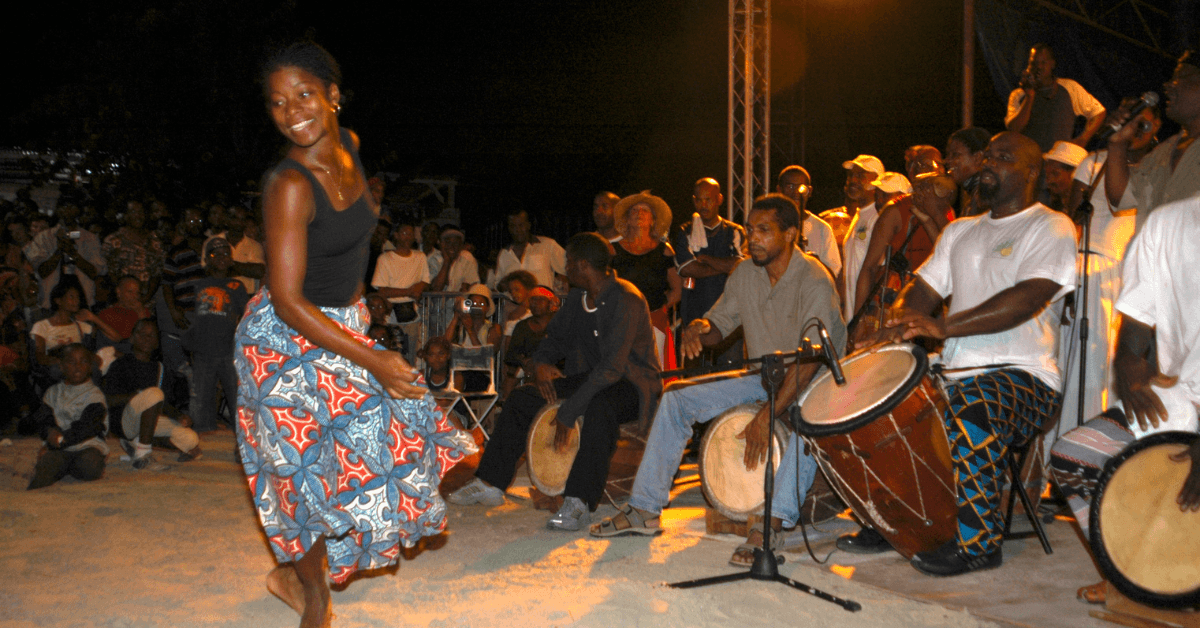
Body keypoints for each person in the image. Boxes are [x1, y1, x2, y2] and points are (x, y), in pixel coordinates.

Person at [236, 42, 474, 627]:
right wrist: (372, 357)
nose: (292, 112)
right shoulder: (287, 185)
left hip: (339, 327)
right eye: (277, 103)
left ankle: (291, 575)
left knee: (435, 449)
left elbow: (347, 249)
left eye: (305, 95)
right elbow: (288, 300)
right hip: (284, 343)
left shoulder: (351, 147)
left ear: (333, 96)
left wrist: (361, 326)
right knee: (305, 479)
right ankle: (312, 600)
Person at [855, 131, 1077, 576]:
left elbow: (1027, 298)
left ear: (1032, 171)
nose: (989, 164)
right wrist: (896, 323)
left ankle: (979, 546)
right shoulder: (961, 231)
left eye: (1004, 157)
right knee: (877, 399)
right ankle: (898, 522)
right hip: (953, 371)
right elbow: (922, 292)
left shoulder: (1049, 225)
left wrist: (944, 326)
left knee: (973, 405)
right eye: (988, 156)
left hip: (1024, 375)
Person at [591, 194, 846, 569]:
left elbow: (808, 363)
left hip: (815, 382)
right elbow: (720, 325)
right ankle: (644, 509)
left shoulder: (814, 279)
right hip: (765, 378)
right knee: (677, 398)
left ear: (791, 234)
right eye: (749, 230)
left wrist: (768, 415)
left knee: (805, 427)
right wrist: (700, 327)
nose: (752, 239)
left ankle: (770, 525)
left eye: (764, 231)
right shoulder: (745, 273)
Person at [449, 233, 661, 531]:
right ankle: (489, 483)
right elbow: (555, 339)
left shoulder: (625, 299)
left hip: (632, 384)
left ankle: (578, 501)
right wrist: (540, 364)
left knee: (600, 408)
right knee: (523, 398)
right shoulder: (577, 299)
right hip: (593, 378)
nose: (565, 269)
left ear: (583, 266)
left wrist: (570, 408)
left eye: (569, 263)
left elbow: (613, 368)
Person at [1049, 195, 1200, 604]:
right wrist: (1129, 367)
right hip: (1186, 391)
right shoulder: (1169, 222)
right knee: (1072, 456)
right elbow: (1137, 314)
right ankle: (1128, 569)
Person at [1055, 102, 1162, 433]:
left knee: (1106, 364)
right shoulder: (1094, 162)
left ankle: (1095, 446)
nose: (1139, 131)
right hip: (1086, 265)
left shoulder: (1158, 168)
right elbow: (1073, 219)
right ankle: (1060, 450)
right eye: (1134, 123)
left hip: (1126, 275)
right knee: (1074, 360)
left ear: (1157, 128)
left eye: (1146, 125)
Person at [851, 148, 953, 328]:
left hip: (932, 306)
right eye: (927, 165)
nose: (936, 170)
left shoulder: (947, 212)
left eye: (939, 165)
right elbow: (869, 267)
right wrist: (859, 319)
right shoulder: (896, 211)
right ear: (912, 171)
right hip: (898, 306)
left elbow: (952, 258)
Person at [1105, 50, 1200, 235]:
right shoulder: (1163, 151)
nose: (1168, 86)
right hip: (1152, 262)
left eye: (1181, 77)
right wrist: (1117, 145)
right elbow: (1121, 196)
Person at [105, 319, 201, 470]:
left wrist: (179, 416)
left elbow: (163, 404)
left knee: (190, 439)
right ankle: (143, 454)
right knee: (154, 393)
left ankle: (135, 443)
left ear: (157, 343)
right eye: (141, 334)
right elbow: (106, 400)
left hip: (147, 422)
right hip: (124, 421)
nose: (146, 339)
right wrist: (133, 397)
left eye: (151, 336)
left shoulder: (160, 369)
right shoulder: (120, 365)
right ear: (132, 338)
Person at [184, 238, 248, 432]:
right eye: (215, 254)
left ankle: (243, 443)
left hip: (229, 351)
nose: (221, 258)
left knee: (237, 399)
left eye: (225, 254)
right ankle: (203, 440)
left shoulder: (237, 286)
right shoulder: (198, 285)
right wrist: (190, 343)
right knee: (201, 402)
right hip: (203, 352)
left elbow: (244, 318)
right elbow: (188, 315)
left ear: (231, 260)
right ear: (207, 259)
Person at [611, 191, 681, 367]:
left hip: (654, 321)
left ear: (653, 220)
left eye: (645, 210)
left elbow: (677, 290)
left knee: (656, 374)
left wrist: (659, 307)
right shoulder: (612, 250)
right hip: (620, 322)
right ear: (627, 219)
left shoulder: (664, 251)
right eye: (634, 210)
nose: (639, 213)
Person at [26, 344, 108, 489]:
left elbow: (88, 427)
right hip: (59, 447)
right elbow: (45, 419)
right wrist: (49, 432)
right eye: (71, 362)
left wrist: (59, 440)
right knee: (46, 466)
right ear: (61, 366)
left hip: (87, 444)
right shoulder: (53, 392)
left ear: (90, 367)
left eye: (83, 362)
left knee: (90, 465)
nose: (77, 366)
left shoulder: (95, 395)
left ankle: (65, 466)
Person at [672, 178, 746, 329]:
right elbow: (687, 268)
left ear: (719, 199)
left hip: (729, 317)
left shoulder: (734, 231)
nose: (703, 205)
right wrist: (725, 266)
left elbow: (741, 266)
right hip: (694, 314)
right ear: (694, 200)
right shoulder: (685, 231)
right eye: (699, 200)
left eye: (708, 200)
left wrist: (706, 259)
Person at [1006, 43, 1106, 151]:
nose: (1039, 67)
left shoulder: (1069, 87)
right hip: (1028, 158)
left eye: (1043, 62)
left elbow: (1099, 112)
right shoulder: (1019, 94)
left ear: (1052, 64)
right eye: (1034, 63)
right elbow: (1014, 129)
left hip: (1057, 160)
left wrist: (1083, 139)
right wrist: (1030, 96)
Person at [841, 171, 909, 322]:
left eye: (885, 195)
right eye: (877, 195)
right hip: (867, 313)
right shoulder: (874, 220)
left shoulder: (906, 230)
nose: (879, 201)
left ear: (904, 197)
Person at [24, 203, 105, 309]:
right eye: (64, 206)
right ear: (58, 209)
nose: (68, 211)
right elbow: (42, 272)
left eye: (72, 206)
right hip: (50, 304)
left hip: (82, 303)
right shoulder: (44, 237)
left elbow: (94, 272)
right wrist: (59, 251)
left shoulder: (90, 238)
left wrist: (73, 253)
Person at [370, 221, 429, 360]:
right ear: (396, 235)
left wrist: (416, 290)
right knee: (389, 353)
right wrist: (408, 292)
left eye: (410, 234)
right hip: (390, 314)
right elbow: (382, 290)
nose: (408, 237)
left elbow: (425, 280)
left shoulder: (420, 257)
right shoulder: (385, 258)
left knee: (410, 355)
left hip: (411, 314)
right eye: (404, 233)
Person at [776, 165, 842, 278]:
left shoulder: (822, 229)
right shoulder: (770, 224)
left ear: (809, 191)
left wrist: (815, 263)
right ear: (779, 190)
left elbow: (834, 273)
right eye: (789, 186)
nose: (796, 192)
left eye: (801, 187)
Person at [501, 285, 559, 399]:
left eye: (541, 300)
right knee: (509, 382)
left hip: (556, 366)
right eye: (533, 300)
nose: (536, 303)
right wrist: (525, 362)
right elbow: (512, 353)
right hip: (529, 367)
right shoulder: (522, 326)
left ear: (550, 303)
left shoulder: (560, 324)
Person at [102, 200, 164, 303]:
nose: (138, 216)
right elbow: (108, 272)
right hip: (120, 303)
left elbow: (157, 274)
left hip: (147, 303)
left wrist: (146, 298)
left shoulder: (155, 241)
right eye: (133, 212)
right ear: (126, 215)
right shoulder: (113, 240)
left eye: (141, 212)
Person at [492, 209, 566, 292]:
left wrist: (564, 283)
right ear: (508, 228)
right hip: (512, 303)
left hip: (540, 302)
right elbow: (497, 286)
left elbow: (569, 268)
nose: (517, 230)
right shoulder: (504, 253)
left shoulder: (548, 245)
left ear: (529, 225)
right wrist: (505, 285)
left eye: (521, 225)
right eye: (513, 226)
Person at [202, 205, 266, 295]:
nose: (238, 222)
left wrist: (228, 263)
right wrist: (246, 269)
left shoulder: (254, 245)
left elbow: (258, 272)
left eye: (242, 219)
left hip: (247, 298)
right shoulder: (212, 241)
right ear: (226, 220)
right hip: (219, 296)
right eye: (235, 218)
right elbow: (208, 272)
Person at [945, 127, 992, 218]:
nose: (947, 161)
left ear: (978, 158)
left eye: (955, 155)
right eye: (948, 155)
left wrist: (936, 213)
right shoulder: (978, 193)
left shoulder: (983, 198)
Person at [1042, 141, 1089, 213]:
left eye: (1055, 174)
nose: (1048, 181)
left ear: (1075, 174)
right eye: (1047, 174)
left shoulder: (1087, 208)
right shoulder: (1046, 202)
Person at [428, 228, 480, 293]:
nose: (452, 246)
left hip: (459, 301)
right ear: (442, 244)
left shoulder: (467, 258)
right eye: (448, 243)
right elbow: (436, 288)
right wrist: (446, 262)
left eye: (456, 243)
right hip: (437, 302)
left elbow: (471, 285)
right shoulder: (433, 258)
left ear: (461, 246)